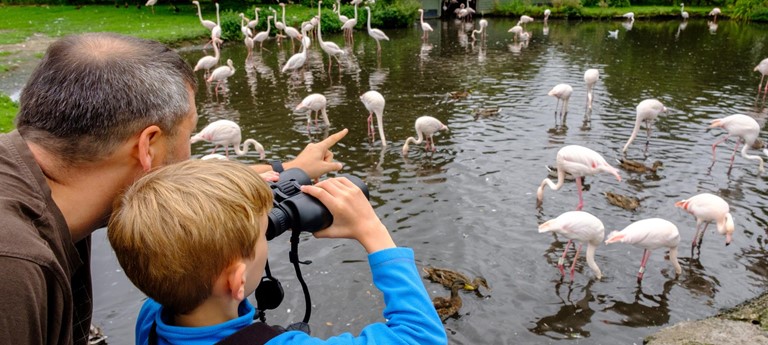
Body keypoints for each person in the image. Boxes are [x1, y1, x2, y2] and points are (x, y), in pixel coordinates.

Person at [0, 32, 347, 345]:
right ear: (148, 146)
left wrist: (287, 170)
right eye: (187, 134)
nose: (191, 154)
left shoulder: (38, 174)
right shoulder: (13, 271)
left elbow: (176, 178)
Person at [107, 159, 447, 344]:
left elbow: (170, 233)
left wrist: (274, 178)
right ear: (237, 281)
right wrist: (373, 232)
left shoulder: (153, 316)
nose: (269, 234)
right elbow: (421, 337)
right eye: (263, 235)